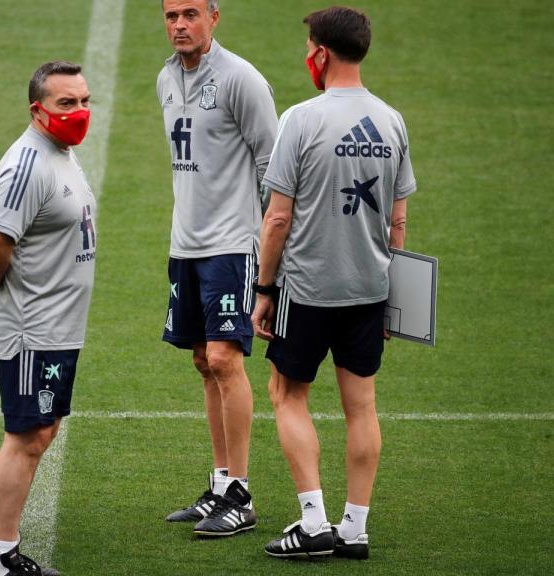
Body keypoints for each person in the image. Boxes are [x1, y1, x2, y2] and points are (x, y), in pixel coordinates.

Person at [251, 6, 417, 560]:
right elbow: (398, 222)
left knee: (287, 395)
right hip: (370, 290)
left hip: (306, 289)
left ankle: (313, 522)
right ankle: (355, 528)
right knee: (361, 407)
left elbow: (277, 218)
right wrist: (395, 299)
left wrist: (264, 290)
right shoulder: (392, 121)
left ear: (321, 53)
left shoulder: (301, 119)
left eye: (309, 48)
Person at [0, 61, 95, 576]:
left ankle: (3, 552)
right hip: (33, 328)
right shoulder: (27, 166)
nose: (80, 111)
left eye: (84, 101)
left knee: (42, 431)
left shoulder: (61, 152)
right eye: (66, 103)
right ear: (38, 110)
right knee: (27, 437)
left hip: (57, 326)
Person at [156, 0, 278, 538]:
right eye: (171, 16)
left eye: (190, 13)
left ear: (214, 17)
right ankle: (221, 481)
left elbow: (273, 166)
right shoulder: (165, 77)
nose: (180, 25)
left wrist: (271, 251)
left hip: (233, 244)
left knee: (226, 359)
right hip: (186, 245)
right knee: (204, 361)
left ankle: (240, 495)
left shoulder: (241, 79)